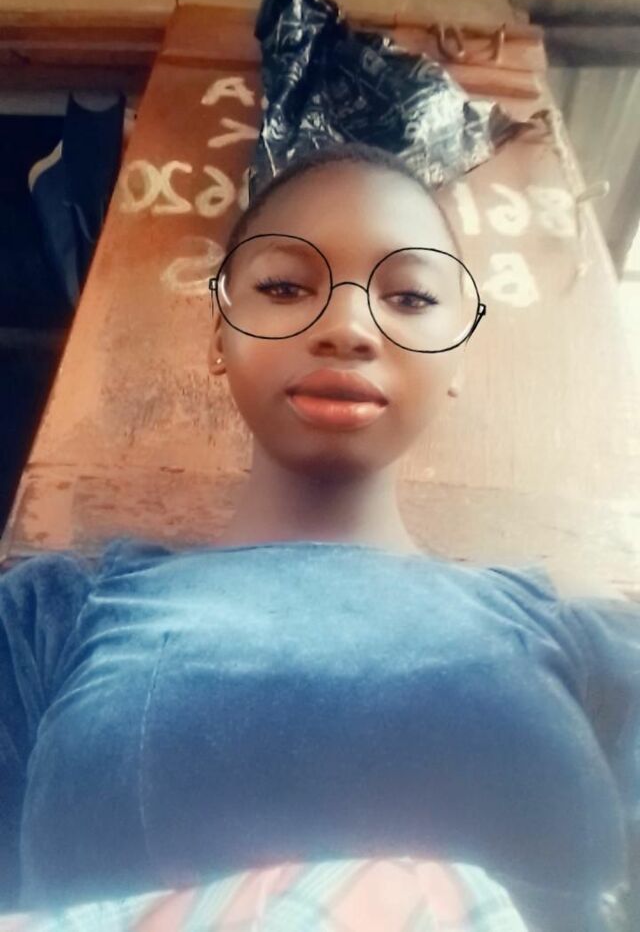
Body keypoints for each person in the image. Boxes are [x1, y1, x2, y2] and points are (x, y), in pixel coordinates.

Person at [0, 143, 638, 932]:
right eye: (284, 287)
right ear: (218, 333)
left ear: (460, 355)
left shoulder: (587, 647)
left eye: (410, 297)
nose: (347, 327)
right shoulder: (47, 623)